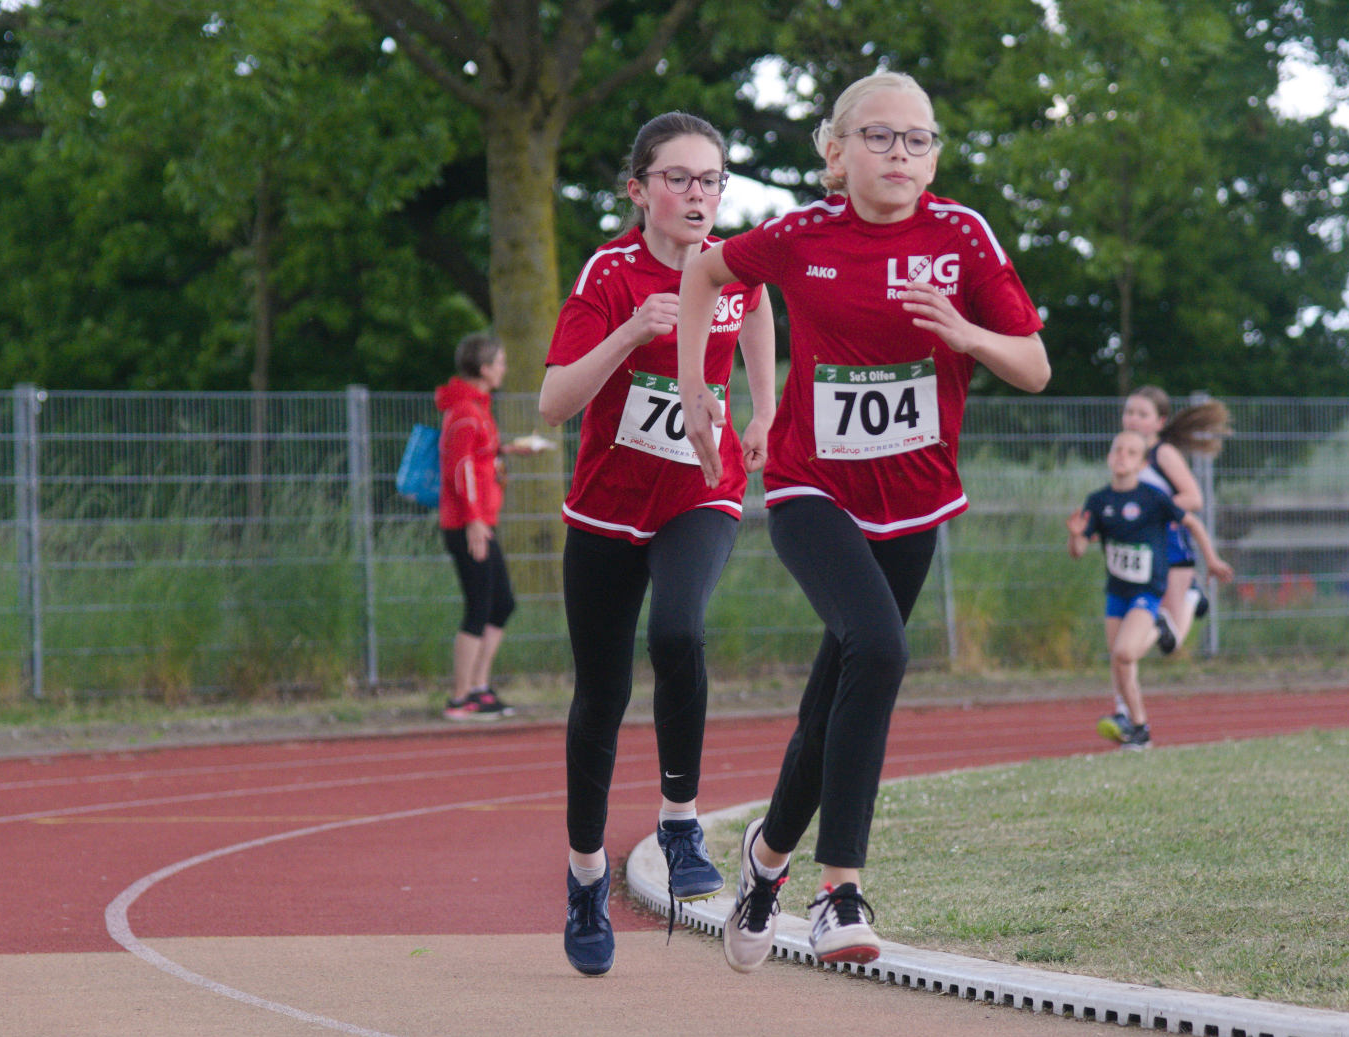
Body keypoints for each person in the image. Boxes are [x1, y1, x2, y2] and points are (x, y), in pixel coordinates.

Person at [675, 71, 1051, 972]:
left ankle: (764, 865)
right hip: (812, 488)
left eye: (917, 139)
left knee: (831, 698)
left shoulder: (962, 235)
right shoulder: (802, 237)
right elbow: (705, 273)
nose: (900, 155)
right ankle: (838, 889)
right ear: (836, 155)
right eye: (878, 138)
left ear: (935, 156)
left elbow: (1033, 365)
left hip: (915, 500)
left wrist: (966, 336)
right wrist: (701, 392)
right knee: (879, 651)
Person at [540, 112, 777, 977]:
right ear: (639, 190)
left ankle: (681, 822)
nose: (698, 196)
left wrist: (762, 403)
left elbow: (757, 309)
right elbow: (553, 403)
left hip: (700, 491)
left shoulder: (734, 266)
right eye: (678, 179)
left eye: (711, 180)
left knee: (677, 633)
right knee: (599, 698)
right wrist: (634, 331)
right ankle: (585, 875)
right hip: (606, 509)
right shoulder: (609, 274)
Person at [1068, 430, 1234, 749]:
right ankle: (1140, 729)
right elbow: (1077, 551)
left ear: (1142, 463)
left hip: (1149, 589)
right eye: (1117, 450)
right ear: (1108, 456)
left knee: (1124, 652)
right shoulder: (1098, 501)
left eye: (1131, 452)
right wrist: (1075, 536)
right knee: (1121, 663)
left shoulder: (1154, 498)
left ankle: (1160, 624)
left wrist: (1211, 560)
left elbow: (1194, 524)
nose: (1122, 457)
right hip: (1117, 592)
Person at [435, 332, 540, 721]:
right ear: (483, 368)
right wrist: (474, 521)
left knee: (502, 603)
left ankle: (478, 688)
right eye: (499, 362)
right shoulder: (465, 410)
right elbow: (458, 468)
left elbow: (476, 454)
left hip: (479, 521)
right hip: (467, 524)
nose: (504, 369)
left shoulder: (477, 407)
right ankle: (459, 697)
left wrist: (509, 450)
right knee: (480, 605)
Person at [1121, 386, 1232, 658]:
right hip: (1142, 547)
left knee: (1170, 640)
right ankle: (1125, 664)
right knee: (1142, 621)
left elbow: (1194, 498)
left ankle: (1192, 596)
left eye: (1142, 414)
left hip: (1170, 545)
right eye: (1129, 412)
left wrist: (1153, 511)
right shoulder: (1125, 452)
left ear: (1159, 422)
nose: (1133, 418)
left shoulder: (1164, 454)